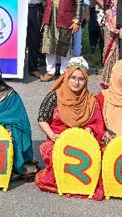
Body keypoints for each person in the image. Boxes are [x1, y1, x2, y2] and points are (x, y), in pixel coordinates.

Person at [34, 57, 105, 198]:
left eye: (81, 79)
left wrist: (90, 129)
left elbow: (97, 123)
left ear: (86, 81)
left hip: (82, 142)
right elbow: (42, 118)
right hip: (58, 140)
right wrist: (52, 135)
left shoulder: (91, 100)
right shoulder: (55, 96)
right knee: (54, 157)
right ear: (66, 77)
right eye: (73, 78)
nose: (76, 82)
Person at [36, 0, 83, 80]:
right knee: (48, 44)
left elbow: (79, 3)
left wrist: (77, 20)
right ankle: (50, 72)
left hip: (66, 18)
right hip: (50, 17)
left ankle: (64, 72)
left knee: (65, 45)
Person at [19, 0, 46, 79]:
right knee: (18, 39)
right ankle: (17, 68)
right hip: (18, 9)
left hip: (35, 9)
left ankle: (33, 68)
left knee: (34, 39)